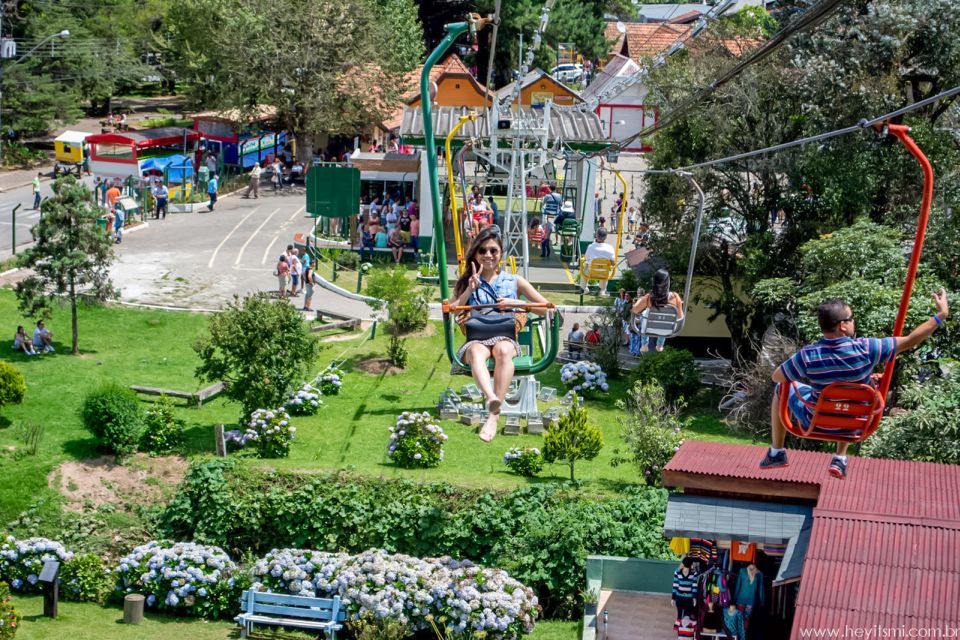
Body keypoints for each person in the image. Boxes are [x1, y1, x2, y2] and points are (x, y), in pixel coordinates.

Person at [760, 290, 950, 479]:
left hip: (815, 421)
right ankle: (840, 457)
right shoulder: (866, 349)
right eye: (851, 318)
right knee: (852, 394)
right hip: (853, 425)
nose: (853, 322)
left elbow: (777, 377)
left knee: (782, 387)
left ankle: (777, 452)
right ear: (843, 326)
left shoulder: (808, 355)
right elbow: (911, 340)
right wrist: (941, 315)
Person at [452, 226, 550, 442]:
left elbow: (546, 308)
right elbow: (453, 310)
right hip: (476, 337)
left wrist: (516, 303)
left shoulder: (515, 281)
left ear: (501, 253)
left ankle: (493, 417)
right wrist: (469, 289)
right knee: (477, 351)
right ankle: (492, 399)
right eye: (483, 251)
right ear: (476, 254)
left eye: (493, 251)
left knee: (504, 350)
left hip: (504, 335)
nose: (488, 255)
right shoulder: (468, 280)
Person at [631, 269, 683, 353]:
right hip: (667, 330)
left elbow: (635, 310)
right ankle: (660, 345)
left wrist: (640, 300)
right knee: (664, 320)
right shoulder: (675, 297)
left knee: (645, 313)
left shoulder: (649, 298)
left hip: (649, 329)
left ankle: (644, 345)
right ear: (668, 282)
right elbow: (680, 317)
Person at [578, 227, 616, 296]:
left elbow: (586, 258)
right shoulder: (610, 248)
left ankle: (584, 288)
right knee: (606, 269)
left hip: (591, 271)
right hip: (603, 272)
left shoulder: (591, 246)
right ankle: (602, 290)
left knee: (585, 266)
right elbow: (613, 263)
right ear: (605, 237)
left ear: (596, 235)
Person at [671, 556, 698, 621]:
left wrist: (694, 597)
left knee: (687, 616)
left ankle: (684, 630)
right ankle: (679, 629)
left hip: (689, 598)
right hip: (679, 598)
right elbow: (675, 586)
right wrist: (673, 598)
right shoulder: (677, 573)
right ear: (691, 564)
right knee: (679, 615)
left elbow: (694, 586)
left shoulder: (694, 574)